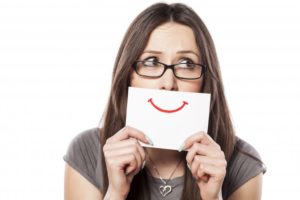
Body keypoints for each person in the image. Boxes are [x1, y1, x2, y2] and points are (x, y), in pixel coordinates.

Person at [64, 3, 266, 200]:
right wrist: (115, 193)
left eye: (187, 63)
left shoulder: (242, 163)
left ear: (205, 79)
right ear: (129, 75)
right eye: (151, 61)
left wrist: (213, 197)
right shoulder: (87, 151)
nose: (168, 83)